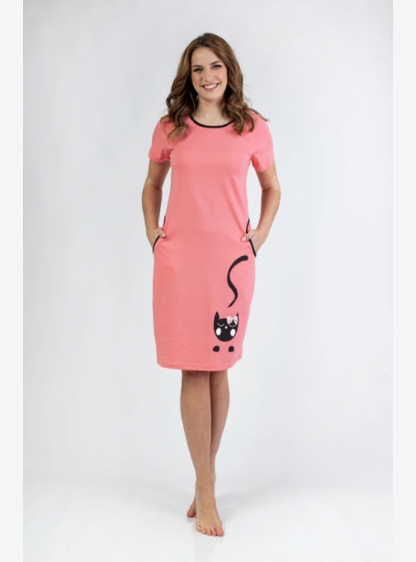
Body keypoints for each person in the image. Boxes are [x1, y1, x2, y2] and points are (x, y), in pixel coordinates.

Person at [142, 33, 281, 537]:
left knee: (218, 367)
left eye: (215, 66)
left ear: (229, 70)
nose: (207, 77)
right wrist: (154, 235)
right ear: (189, 76)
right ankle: (206, 487)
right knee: (192, 368)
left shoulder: (252, 127)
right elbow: (152, 183)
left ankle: (205, 481)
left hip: (229, 266)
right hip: (180, 264)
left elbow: (272, 188)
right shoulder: (171, 127)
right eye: (198, 68)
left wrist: (258, 237)